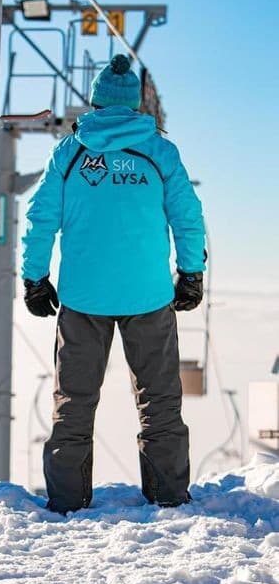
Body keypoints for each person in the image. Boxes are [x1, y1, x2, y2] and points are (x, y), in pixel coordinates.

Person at [21, 54, 206, 514]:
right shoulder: (160, 151)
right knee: (160, 399)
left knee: (74, 403)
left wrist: (35, 277)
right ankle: (167, 497)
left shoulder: (71, 152)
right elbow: (187, 216)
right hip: (149, 296)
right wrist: (191, 273)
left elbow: (41, 218)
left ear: (96, 101)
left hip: (84, 299)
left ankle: (67, 500)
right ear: (135, 103)